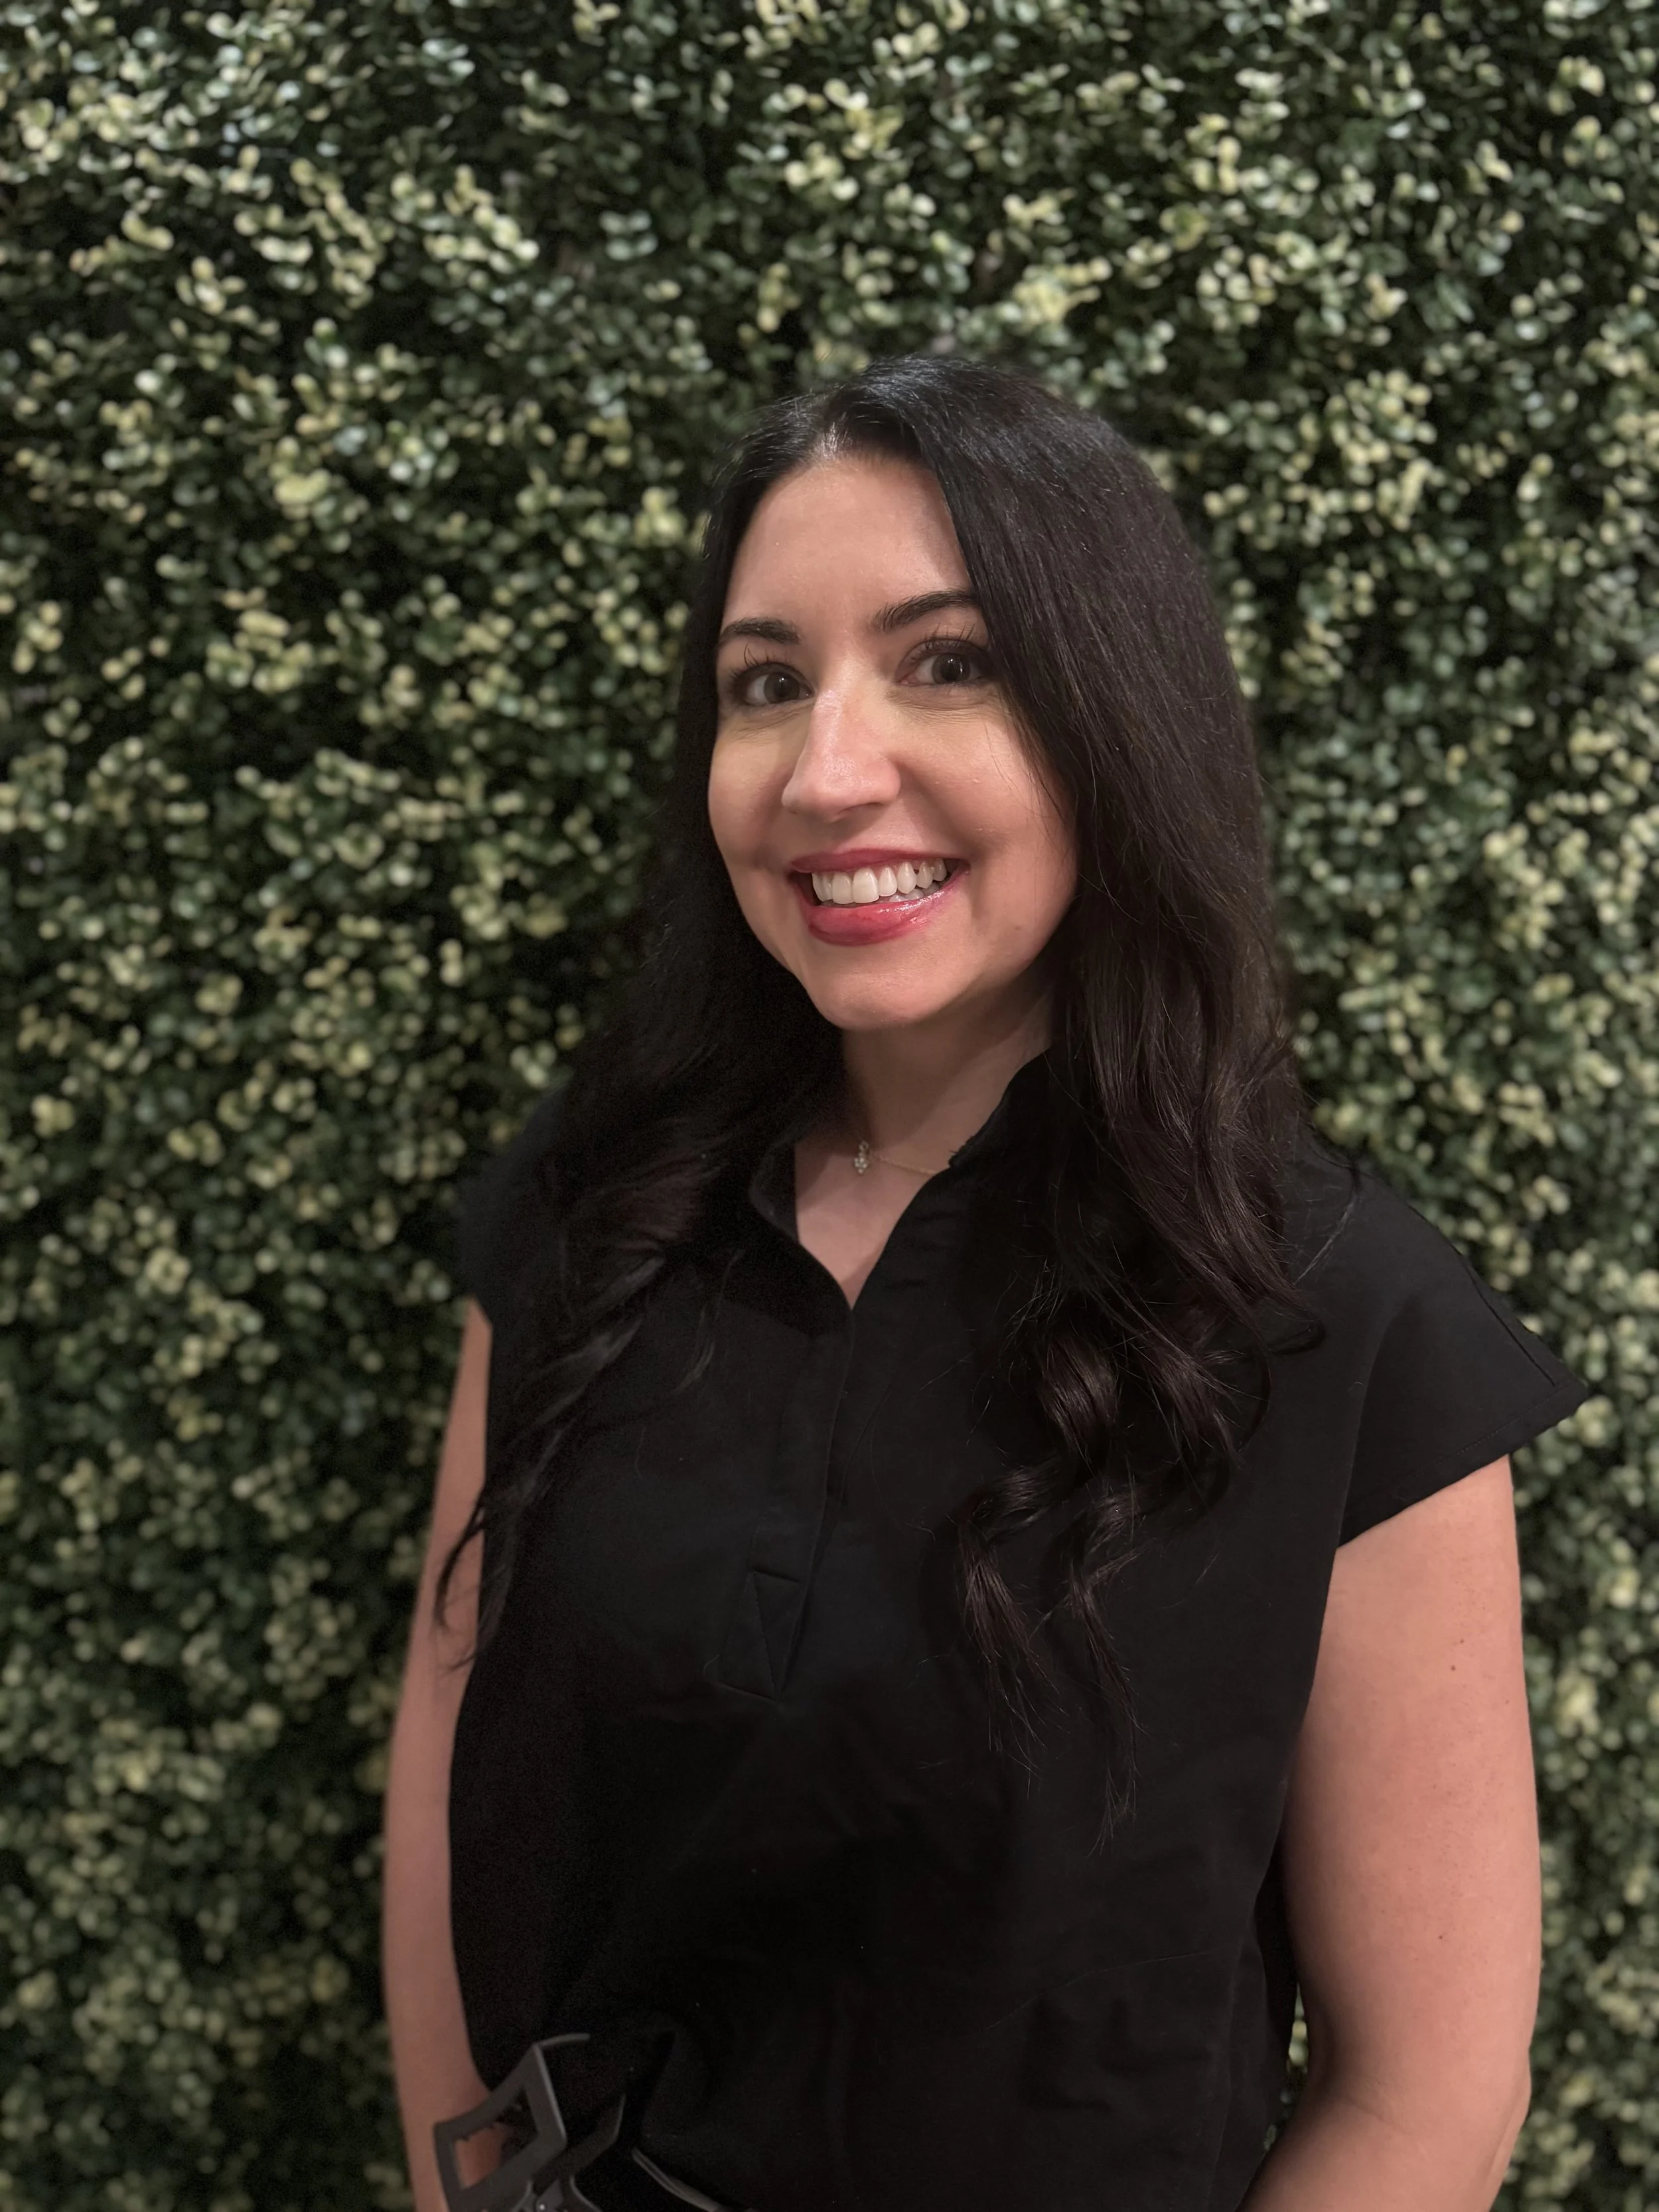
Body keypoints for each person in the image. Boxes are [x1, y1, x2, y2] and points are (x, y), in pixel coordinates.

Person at [382, 354, 1586, 2212]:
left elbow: (1423, 2092)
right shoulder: (586, 1218)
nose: (826, 769)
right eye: (763, 683)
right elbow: (452, 1746)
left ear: (1113, 719)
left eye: (948, 662)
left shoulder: (1344, 1320)